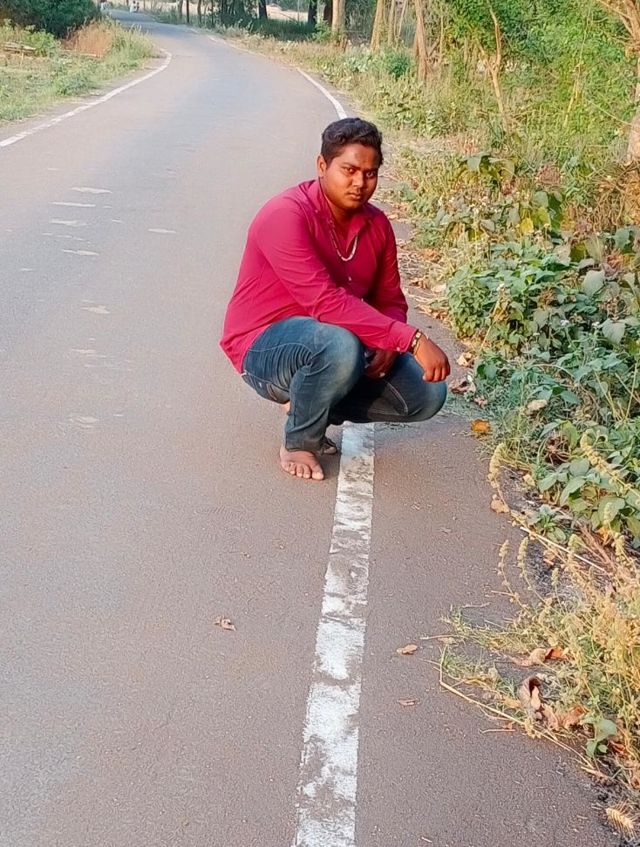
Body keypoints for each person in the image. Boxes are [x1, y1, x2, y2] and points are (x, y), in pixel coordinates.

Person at [221, 118, 450, 481]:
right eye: (349, 170)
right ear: (322, 165)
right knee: (339, 343)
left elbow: (390, 298)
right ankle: (300, 441)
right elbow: (325, 303)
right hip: (263, 346)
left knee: (428, 392)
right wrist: (411, 339)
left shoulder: (377, 225)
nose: (360, 183)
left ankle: (310, 402)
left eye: (370, 173)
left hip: (335, 344)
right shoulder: (285, 215)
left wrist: (390, 342)